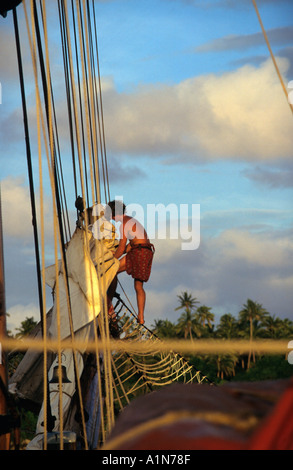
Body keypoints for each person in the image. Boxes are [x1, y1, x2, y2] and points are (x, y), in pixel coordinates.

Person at [107, 200, 154, 325]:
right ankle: (141, 317)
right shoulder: (131, 220)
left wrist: (112, 260)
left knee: (111, 271)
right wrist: (116, 253)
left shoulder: (124, 223)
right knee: (138, 286)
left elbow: (122, 247)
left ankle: (108, 304)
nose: (111, 219)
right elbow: (129, 246)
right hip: (145, 251)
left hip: (139, 251)